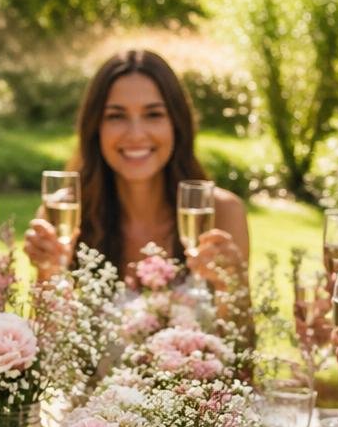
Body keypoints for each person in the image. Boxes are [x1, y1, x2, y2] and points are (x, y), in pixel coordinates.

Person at [23, 49, 249, 287]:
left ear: (176, 124)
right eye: (116, 116)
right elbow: (45, 325)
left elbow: (241, 325)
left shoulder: (222, 215)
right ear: (95, 127)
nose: (136, 134)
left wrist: (230, 282)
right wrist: (49, 272)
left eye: (153, 114)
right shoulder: (61, 216)